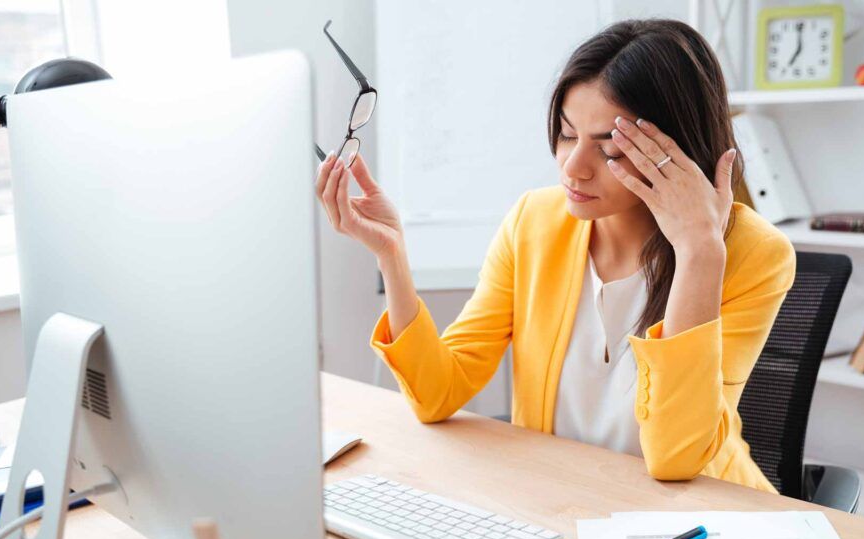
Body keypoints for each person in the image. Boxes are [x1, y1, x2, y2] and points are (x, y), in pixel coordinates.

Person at [313, 19, 795, 493]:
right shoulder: (534, 221)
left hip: (700, 518)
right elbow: (438, 392)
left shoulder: (753, 254)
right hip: (559, 498)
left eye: (610, 149)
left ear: (680, 149)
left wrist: (698, 252)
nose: (573, 168)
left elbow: (677, 458)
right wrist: (392, 256)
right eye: (567, 134)